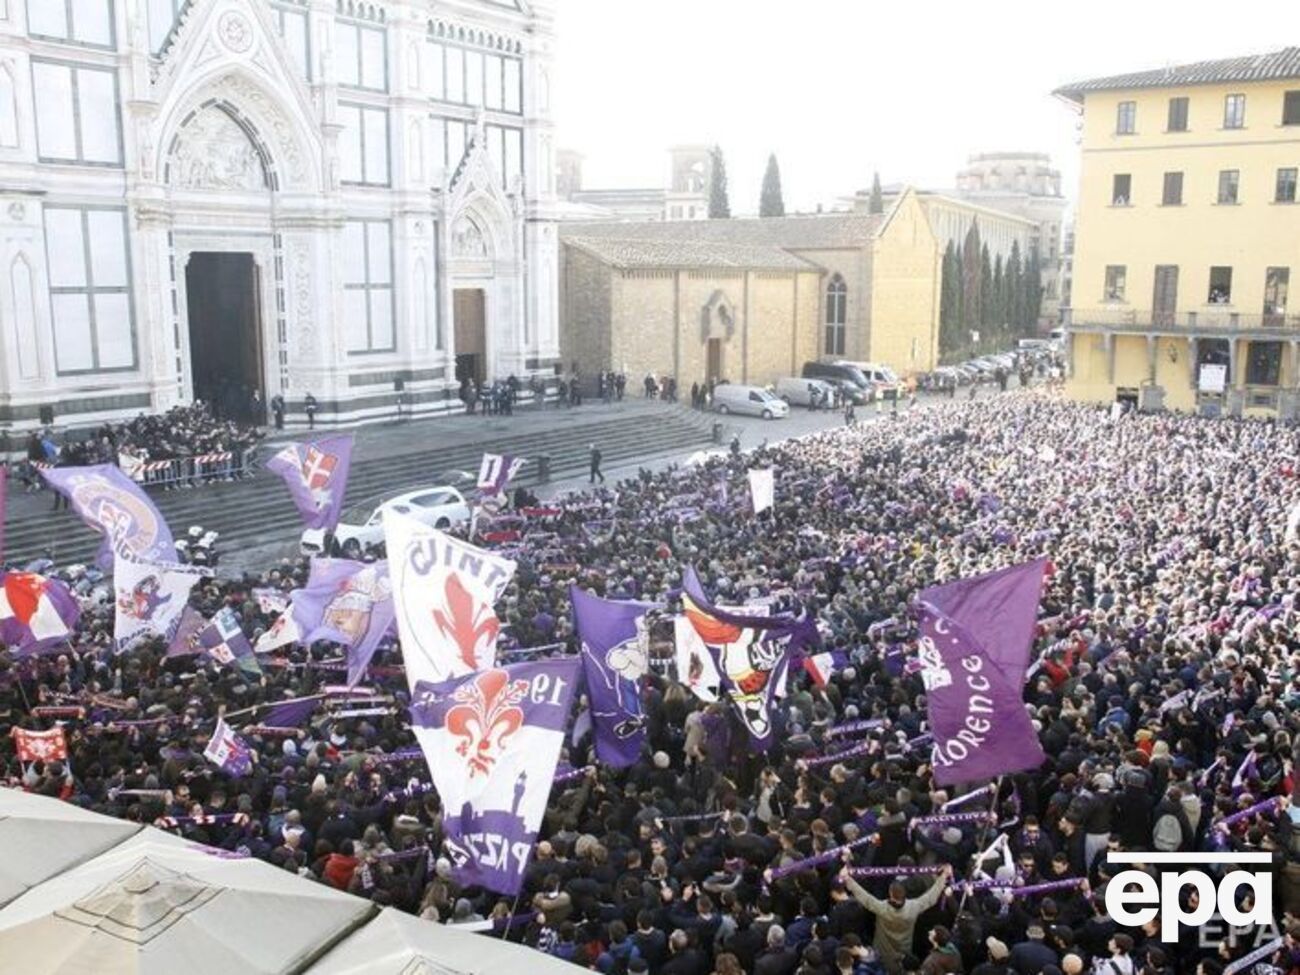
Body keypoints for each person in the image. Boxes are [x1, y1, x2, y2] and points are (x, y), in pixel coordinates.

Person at [841, 864, 952, 975]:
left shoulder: (882, 908)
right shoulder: (913, 907)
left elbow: (865, 898)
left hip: (882, 950)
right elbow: (930, 898)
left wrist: (848, 880)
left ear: (890, 895)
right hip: (904, 949)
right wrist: (943, 878)